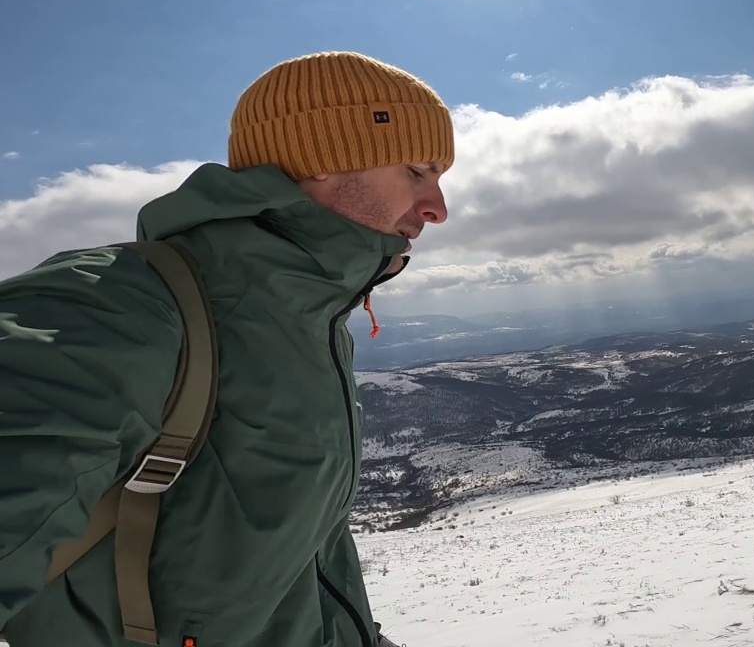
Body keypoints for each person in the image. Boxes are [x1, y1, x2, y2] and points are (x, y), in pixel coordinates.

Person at [0, 51, 451, 647]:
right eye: (417, 170)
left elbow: (294, 569)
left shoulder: (309, 320)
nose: (438, 209)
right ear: (323, 157)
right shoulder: (117, 305)